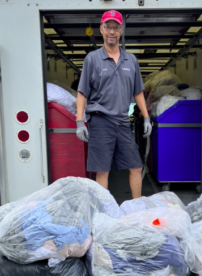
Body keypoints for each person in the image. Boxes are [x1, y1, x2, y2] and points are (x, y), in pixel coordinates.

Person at [76, 10, 152, 198]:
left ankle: (137, 207)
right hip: (100, 122)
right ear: (101, 30)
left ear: (121, 30)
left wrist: (147, 117)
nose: (112, 31)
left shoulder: (131, 60)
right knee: (102, 170)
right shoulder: (92, 59)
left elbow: (138, 92)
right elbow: (82, 92)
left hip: (122, 122)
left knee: (135, 166)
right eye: (108, 27)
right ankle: (104, 212)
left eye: (116, 27)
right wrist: (79, 121)